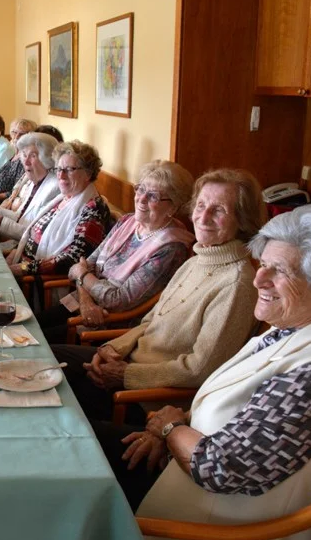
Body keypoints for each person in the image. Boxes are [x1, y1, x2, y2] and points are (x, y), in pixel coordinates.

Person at [95, 204, 311, 540]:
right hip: (183, 487)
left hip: (211, 538)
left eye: (278, 271)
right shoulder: (293, 329)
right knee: (73, 443)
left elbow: (221, 469)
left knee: (71, 481)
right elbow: (236, 406)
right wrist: (169, 431)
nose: (258, 279)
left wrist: (170, 427)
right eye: (261, 264)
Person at [53, 169, 265, 424]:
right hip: (127, 363)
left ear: (243, 220)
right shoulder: (197, 260)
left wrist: (126, 375)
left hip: (146, 398)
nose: (203, 217)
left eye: (218, 210)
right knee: (47, 360)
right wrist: (111, 348)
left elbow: (199, 370)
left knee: (54, 401)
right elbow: (149, 322)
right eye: (200, 205)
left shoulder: (237, 285)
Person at [38, 160, 195, 342]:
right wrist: (85, 299)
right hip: (83, 303)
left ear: (173, 206)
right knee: (28, 327)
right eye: (140, 189)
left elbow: (118, 300)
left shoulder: (171, 248)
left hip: (109, 323)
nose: (141, 199)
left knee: (35, 343)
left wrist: (82, 276)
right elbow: (83, 264)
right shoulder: (127, 221)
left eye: (153, 196)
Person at [5, 140, 112, 274]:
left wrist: (23, 268)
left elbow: (73, 259)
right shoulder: (63, 197)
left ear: (88, 174)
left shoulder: (94, 210)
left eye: (69, 169)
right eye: (59, 169)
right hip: (23, 265)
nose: (61, 176)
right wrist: (17, 253)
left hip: (39, 282)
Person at [0, 132, 64, 244]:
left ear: (47, 159)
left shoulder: (55, 188)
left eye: (33, 156)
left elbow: (34, 235)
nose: (26, 162)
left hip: (25, 251)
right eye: (24, 155)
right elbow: (21, 218)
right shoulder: (33, 181)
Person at [0, 118, 37, 203]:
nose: (16, 137)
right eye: (14, 132)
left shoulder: (25, 160)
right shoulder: (14, 153)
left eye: (22, 134)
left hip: (0, 203)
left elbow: (17, 192)